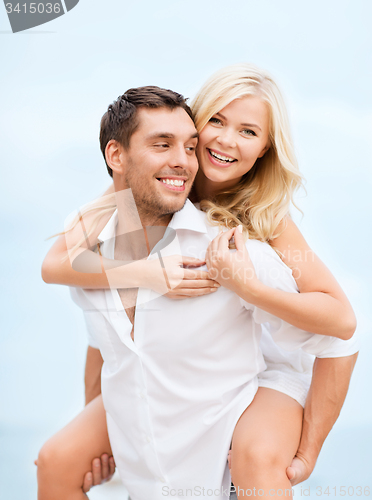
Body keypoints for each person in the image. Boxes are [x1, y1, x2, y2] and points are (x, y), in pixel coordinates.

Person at [38, 69, 358, 499]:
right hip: (175, 369)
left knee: (256, 454)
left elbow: (341, 325)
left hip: (267, 369)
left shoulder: (262, 218)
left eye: (248, 131)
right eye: (217, 122)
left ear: (265, 149)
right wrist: (145, 274)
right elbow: (80, 296)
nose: (225, 140)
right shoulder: (136, 199)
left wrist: (308, 451)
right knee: (57, 459)